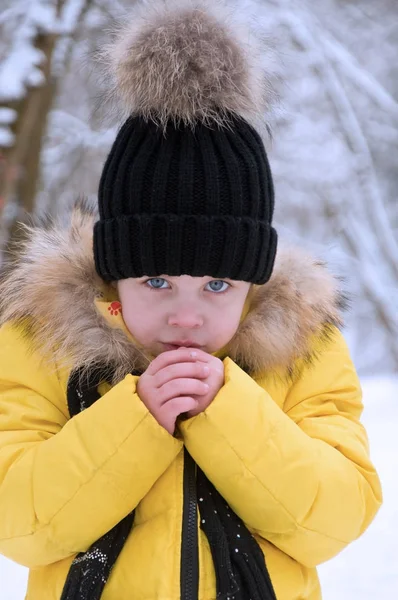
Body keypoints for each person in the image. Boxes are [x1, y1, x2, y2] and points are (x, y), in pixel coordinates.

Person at [0, 2, 382, 599]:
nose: (185, 315)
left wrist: (228, 413)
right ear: (113, 278)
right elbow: (18, 526)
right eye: (156, 282)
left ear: (253, 282)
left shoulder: (302, 351)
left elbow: (332, 520)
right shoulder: (44, 345)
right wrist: (134, 421)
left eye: (217, 285)